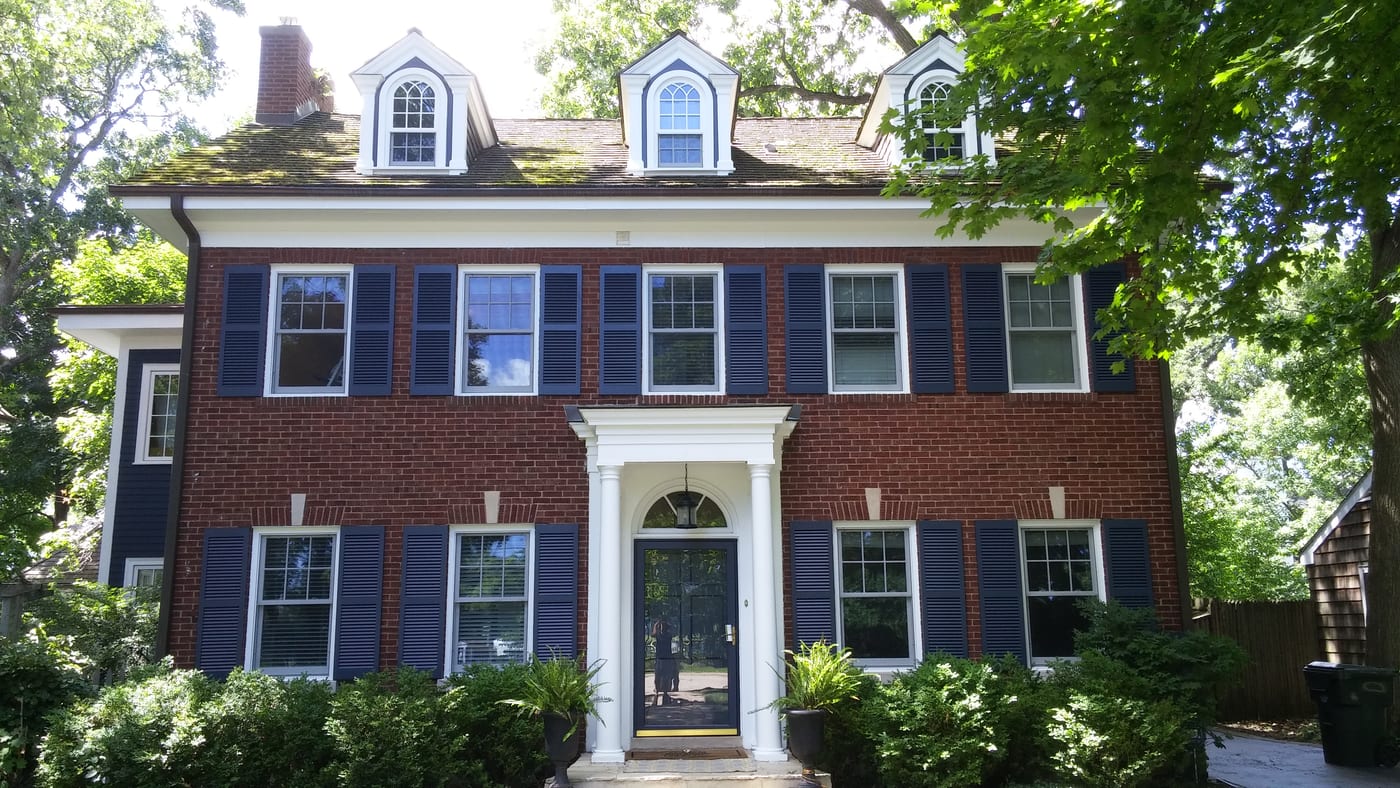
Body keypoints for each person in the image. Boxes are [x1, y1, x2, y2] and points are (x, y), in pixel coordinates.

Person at [652, 618, 678, 702]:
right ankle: (664, 690)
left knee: (659, 675)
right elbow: (674, 631)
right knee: (665, 676)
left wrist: (656, 624)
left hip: (661, 658)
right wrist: (669, 624)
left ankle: (658, 689)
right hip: (666, 658)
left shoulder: (660, 635)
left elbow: (654, 633)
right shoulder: (668, 635)